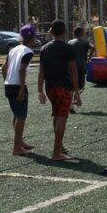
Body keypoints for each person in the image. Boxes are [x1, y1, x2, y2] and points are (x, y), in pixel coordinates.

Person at [37, 19, 81, 162]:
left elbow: (41, 72)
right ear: (65, 31)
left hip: (49, 87)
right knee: (62, 117)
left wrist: (40, 91)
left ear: (51, 31)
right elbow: (73, 70)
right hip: (63, 86)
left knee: (57, 114)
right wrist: (76, 92)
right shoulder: (68, 48)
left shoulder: (44, 48)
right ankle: (56, 153)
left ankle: (60, 146)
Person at [2, 24, 37, 156]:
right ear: (32, 38)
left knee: (17, 115)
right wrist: (22, 89)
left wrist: (7, 81)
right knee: (21, 117)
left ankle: (20, 142)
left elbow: (3, 68)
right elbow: (22, 70)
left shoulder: (13, 49)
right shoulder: (28, 52)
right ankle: (17, 147)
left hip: (9, 85)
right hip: (18, 86)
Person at [68, 26, 92, 113]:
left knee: (71, 86)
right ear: (82, 32)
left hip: (71, 67)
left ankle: (71, 104)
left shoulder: (70, 42)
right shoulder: (85, 42)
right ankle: (75, 97)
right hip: (81, 66)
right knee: (80, 86)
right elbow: (93, 47)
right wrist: (89, 57)